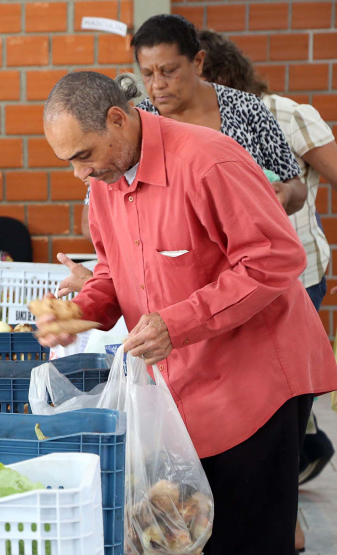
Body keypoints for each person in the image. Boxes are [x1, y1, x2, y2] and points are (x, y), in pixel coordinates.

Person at [40, 70, 337, 554]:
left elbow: (276, 258)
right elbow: (113, 270)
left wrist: (176, 322)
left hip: (256, 383)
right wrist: (77, 312)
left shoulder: (206, 160)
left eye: (84, 156)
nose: (80, 173)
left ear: (118, 119)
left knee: (250, 539)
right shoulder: (106, 185)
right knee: (192, 533)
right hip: (187, 385)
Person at [198, 28, 337, 551]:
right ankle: (304, 459)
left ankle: (287, 520)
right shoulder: (184, 123)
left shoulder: (281, 112)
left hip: (295, 278)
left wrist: (285, 192)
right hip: (234, 283)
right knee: (259, 403)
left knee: (277, 396)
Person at [62, 14, 307, 296]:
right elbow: (94, 222)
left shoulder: (246, 108)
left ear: (198, 61)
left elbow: (297, 186)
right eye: (148, 73)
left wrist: (285, 194)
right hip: (175, 288)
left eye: (169, 71)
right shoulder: (134, 127)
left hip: (253, 275)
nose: (158, 85)